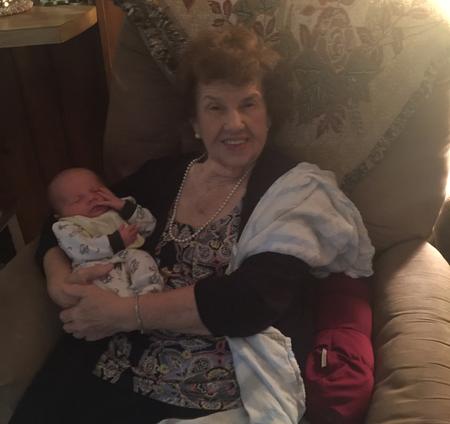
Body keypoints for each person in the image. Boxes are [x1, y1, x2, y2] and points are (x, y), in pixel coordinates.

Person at [10, 26, 374, 424]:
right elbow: (66, 216)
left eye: (249, 103)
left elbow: (253, 301)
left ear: (270, 114)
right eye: (215, 107)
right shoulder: (161, 177)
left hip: (208, 392)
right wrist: (57, 277)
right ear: (195, 122)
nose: (234, 123)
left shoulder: (295, 192)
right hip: (109, 369)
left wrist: (123, 313)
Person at [48, 167, 164, 297]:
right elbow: (81, 248)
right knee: (100, 284)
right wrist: (116, 241)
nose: (92, 198)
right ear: (60, 215)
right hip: (95, 267)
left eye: (96, 191)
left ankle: (149, 295)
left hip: (129, 257)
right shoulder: (66, 226)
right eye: (78, 200)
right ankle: (122, 304)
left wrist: (124, 207)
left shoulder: (120, 209)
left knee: (143, 258)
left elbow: (150, 226)